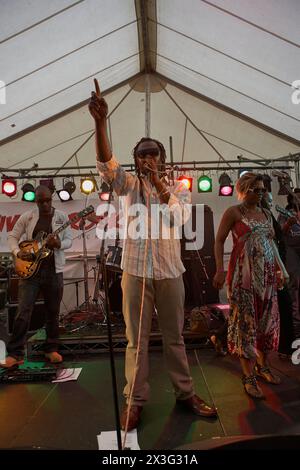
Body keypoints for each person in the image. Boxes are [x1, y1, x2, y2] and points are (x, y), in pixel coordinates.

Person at [89, 79, 217, 431]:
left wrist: (160, 182)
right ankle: (135, 400)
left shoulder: (178, 188)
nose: (147, 158)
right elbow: (105, 164)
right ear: (136, 160)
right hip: (134, 271)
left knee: (175, 337)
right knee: (136, 341)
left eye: (153, 153)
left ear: (162, 158)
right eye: (142, 154)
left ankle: (185, 393)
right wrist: (100, 123)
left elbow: (180, 219)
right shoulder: (127, 184)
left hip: (169, 272)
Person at [213, 173, 288, 399]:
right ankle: (248, 376)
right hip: (242, 278)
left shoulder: (266, 213)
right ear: (244, 189)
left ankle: (263, 366)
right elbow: (219, 240)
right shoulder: (234, 212)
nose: (261, 193)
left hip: (266, 278)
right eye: (256, 189)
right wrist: (219, 268)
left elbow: (271, 245)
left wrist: (280, 269)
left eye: (263, 190)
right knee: (246, 324)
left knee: (267, 322)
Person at [1, 185, 73, 368]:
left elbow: (69, 241)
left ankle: (51, 349)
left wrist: (58, 244)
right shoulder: (28, 216)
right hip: (30, 273)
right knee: (23, 312)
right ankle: (15, 353)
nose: (45, 204)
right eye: (41, 201)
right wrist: (18, 253)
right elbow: (12, 236)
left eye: (48, 200)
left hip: (53, 272)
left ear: (52, 198)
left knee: (53, 313)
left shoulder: (62, 217)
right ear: (36, 201)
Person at [261, 191, 295, 358]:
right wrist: (280, 268)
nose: (270, 202)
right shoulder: (262, 217)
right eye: (268, 199)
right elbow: (271, 243)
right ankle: (286, 348)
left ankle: (285, 348)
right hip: (270, 268)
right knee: (281, 305)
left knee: (279, 306)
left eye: (271, 199)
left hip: (276, 265)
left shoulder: (268, 215)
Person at [278, 191, 300, 336]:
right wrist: (289, 223)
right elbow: (280, 233)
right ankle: (296, 326)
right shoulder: (285, 213)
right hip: (291, 250)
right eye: (297, 196)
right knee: (294, 285)